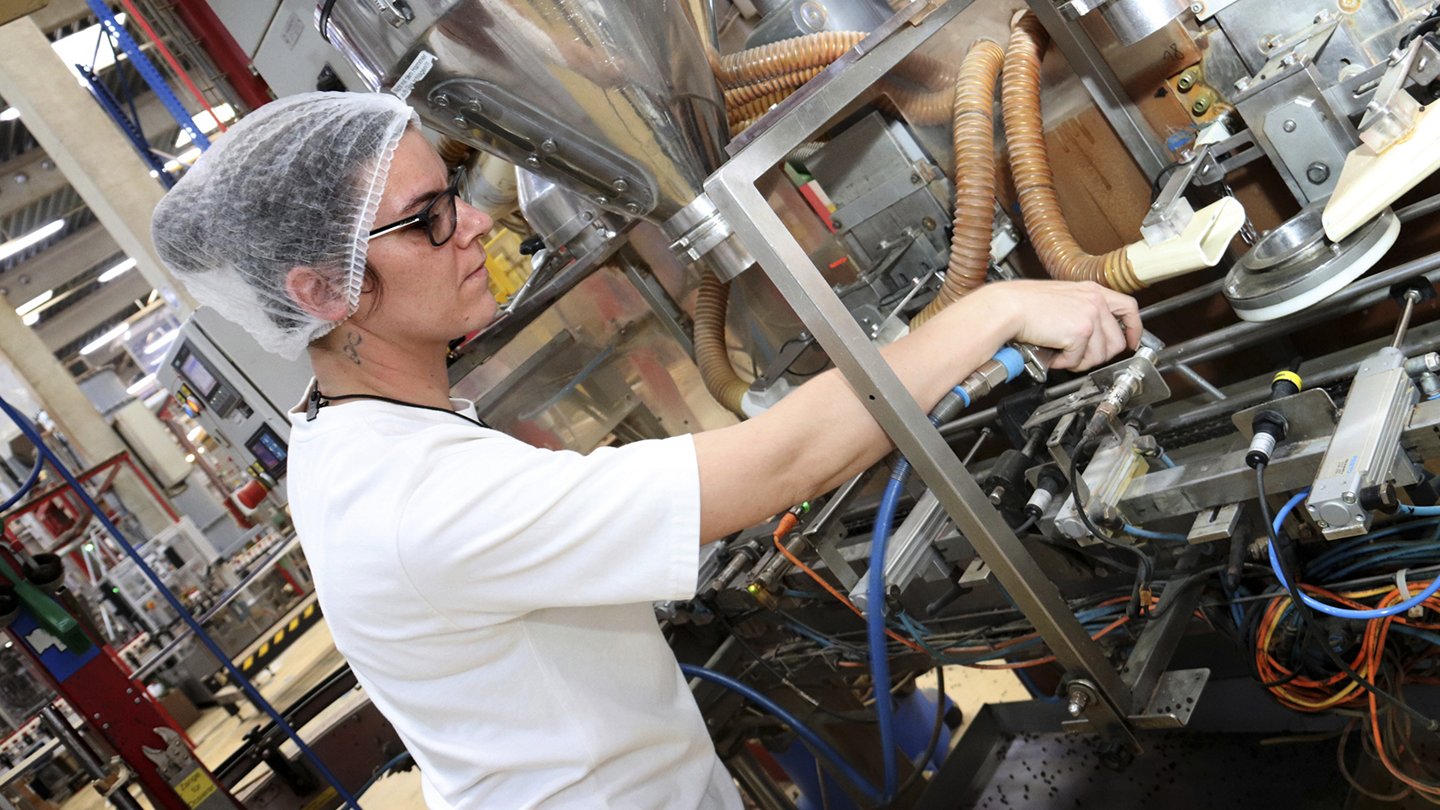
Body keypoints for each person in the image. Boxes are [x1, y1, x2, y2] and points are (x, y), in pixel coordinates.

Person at [151, 91, 1141, 809]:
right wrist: (1003, 307)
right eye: (430, 217)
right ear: (321, 292)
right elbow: (778, 465)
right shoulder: (411, 500)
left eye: (452, 186)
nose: (478, 222)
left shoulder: (354, 429)